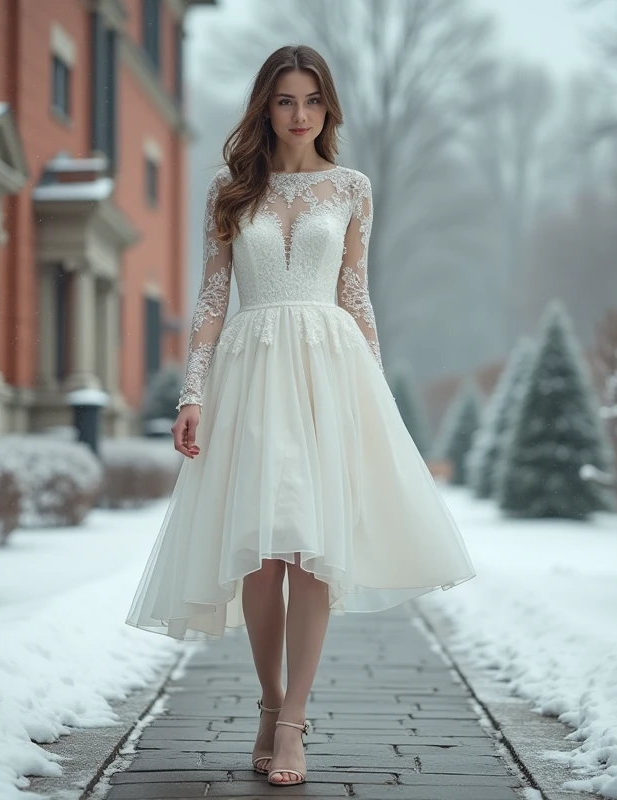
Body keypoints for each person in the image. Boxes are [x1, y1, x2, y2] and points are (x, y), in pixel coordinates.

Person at [125, 44, 477, 787]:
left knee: (311, 547)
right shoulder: (230, 189)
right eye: (285, 100)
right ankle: (267, 699)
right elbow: (213, 302)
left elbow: (357, 296)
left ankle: (293, 723)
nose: (298, 115)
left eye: (311, 101)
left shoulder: (352, 187)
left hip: (327, 369)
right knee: (261, 550)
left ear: (328, 108)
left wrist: (373, 395)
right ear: (265, 105)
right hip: (250, 373)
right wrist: (192, 393)